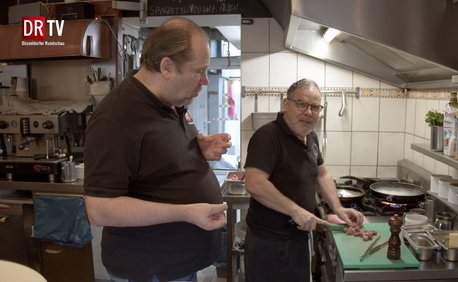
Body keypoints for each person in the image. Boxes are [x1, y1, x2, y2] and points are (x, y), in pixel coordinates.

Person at [83, 17, 231, 282]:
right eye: (199, 71)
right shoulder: (116, 118)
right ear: (167, 67)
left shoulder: (170, 102)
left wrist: (197, 150)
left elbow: (156, 158)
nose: (205, 81)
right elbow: (100, 209)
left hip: (178, 265)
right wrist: (185, 212)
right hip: (150, 270)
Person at [243, 78, 364, 282]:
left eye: (315, 107)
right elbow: (254, 183)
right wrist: (295, 210)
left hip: (298, 239)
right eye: (302, 104)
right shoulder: (268, 136)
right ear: (286, 104)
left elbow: (322, 174)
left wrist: (338, 208)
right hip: (271, 244)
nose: (308, 112)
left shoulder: (311, 137)